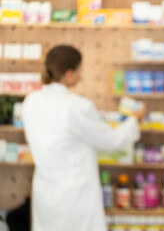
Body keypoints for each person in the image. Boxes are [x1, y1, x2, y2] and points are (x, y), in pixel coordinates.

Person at [22, 45, 146, 231]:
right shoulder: (77, 106)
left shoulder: (30, 101)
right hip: (75, 198)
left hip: (46, 193)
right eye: (80, 70)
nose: (81, 75)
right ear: (70, 74)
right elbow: (111, 141)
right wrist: (134, 119)